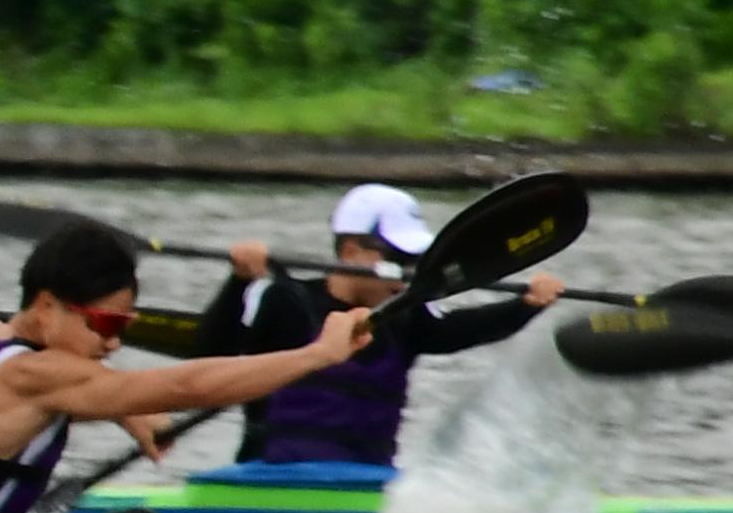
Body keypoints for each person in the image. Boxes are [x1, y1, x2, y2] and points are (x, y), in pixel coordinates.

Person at [0, 220, 371, 513]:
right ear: (49, 306)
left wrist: (128, 413)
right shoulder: (34, 376)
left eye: (124, 324)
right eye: (104, 323)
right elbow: (184, 384)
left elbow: (64, 382)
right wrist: (316, 356)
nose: (115, 341)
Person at [188, 183, 564, 469]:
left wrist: (525, 305)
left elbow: (460, 330)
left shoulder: (406, 316)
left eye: (417, 260)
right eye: (398, 256)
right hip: (272, 482)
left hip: (367, 479)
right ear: (351, 250)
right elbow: (209, 357)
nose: (409, 272)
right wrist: (238, 282)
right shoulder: (286, 301)